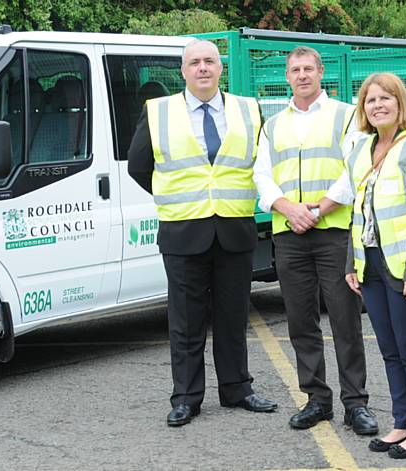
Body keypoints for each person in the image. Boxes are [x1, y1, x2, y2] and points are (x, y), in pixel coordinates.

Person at [128, 39, 277, 427]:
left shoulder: (248, 110)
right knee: (186, 322)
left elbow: (262, 166)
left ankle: (237, 388)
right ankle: (187, 398)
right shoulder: (158, 111)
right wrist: (177, 196)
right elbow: (138, 167)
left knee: (233, 317)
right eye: (194, 62)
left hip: (234, 228)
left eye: (210, 61)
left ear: (220, 68)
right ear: (183, 71)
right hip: (183, 231)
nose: (203, 68)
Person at [319, 72, 406, 458]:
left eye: (385, 98)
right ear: (364, 109)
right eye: (370, 100)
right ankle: (402, 423)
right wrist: (350, 263)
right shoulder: (360, 150)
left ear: (399, 104)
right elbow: (357, 213)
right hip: (370, 263)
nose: (377, 105)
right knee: (390, 350)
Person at [253, 46, 378, 435]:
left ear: (321, 73)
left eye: (309, 68)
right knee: (300, 319)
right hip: (289, 232)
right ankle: (317, 399)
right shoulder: (273, 124)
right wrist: (290, 209)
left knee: (344, 318)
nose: (302, 75)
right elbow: (262, 176)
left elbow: (354, 167)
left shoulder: (346, 115)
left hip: (334, 231)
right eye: (295, 69)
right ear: (287, 76)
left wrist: (319, 209)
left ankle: (355, 403)